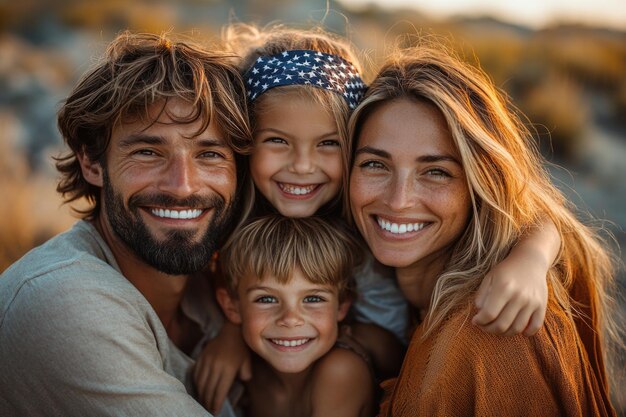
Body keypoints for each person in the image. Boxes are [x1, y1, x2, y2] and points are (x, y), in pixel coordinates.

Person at [193, 22, 562, 414]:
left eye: (328, 144)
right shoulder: (230, 215)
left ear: (353, 145)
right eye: (278, 141)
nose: (302, 166)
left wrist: (532, 257)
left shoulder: (363, 216)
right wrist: (233, 331)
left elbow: (531, 209)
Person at [348, 42, 621, 416]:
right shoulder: (360, 279)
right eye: (375, 165)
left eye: (437, 172)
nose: (398, 200)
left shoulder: (494, 331)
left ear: (482, 185)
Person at [0, 32, 252, 416]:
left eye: (210, 154)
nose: (182, 185)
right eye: (148, 152)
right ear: (91, 162)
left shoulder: (224, 291)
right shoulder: (61, 301)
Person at [216, 214, 379, 417]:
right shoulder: (245, 369)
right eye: (266, 299)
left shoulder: (340, 371)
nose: (290, 319)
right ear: (232, 307)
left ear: (341, 306)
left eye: (312, 299)